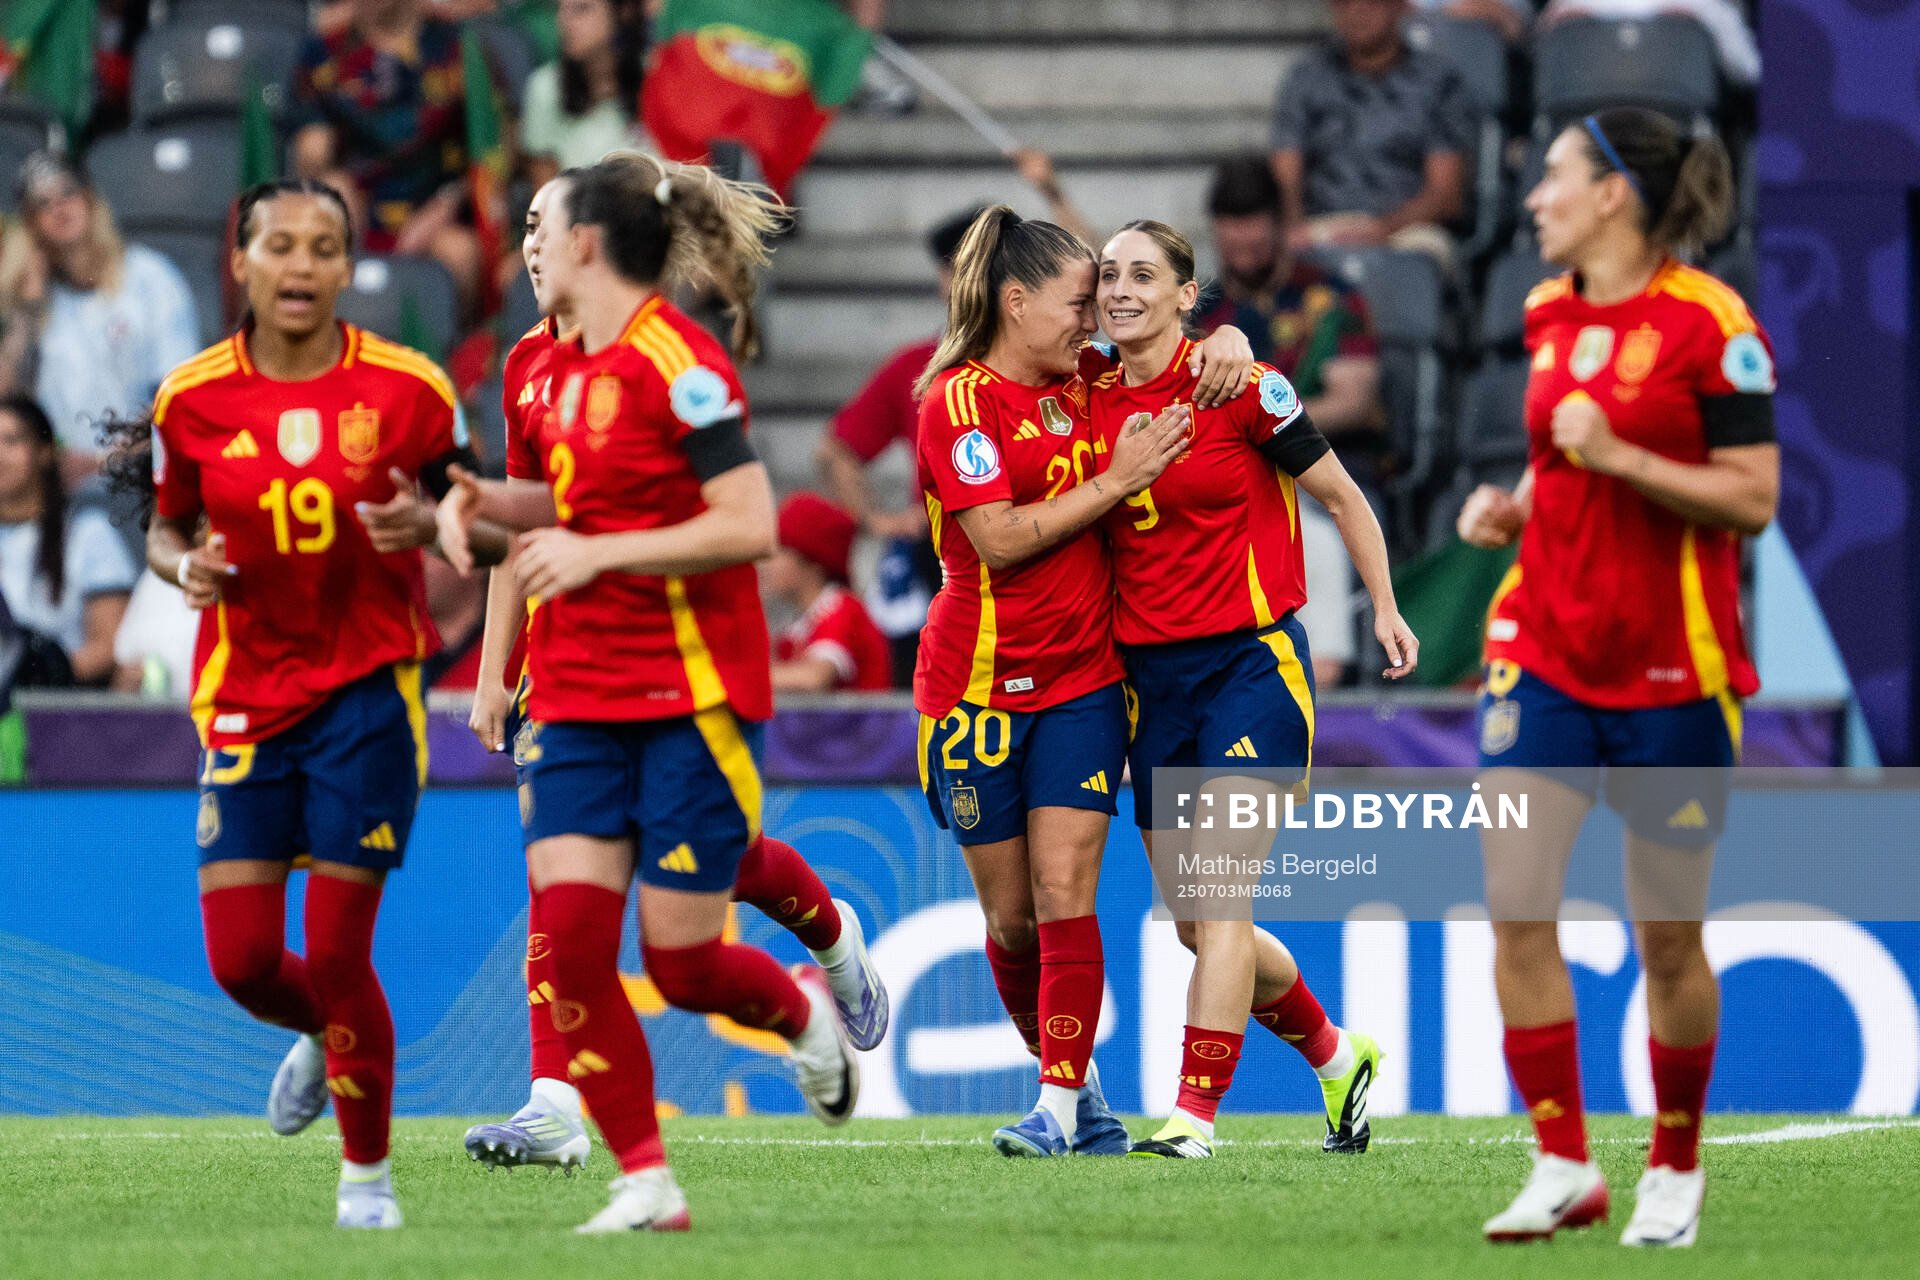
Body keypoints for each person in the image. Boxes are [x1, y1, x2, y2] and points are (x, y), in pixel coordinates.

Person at [434, 154, 863, 1233]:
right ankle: (645, 1179)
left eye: (544, 226)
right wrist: (471, 505)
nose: (529, 245)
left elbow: (748, 523)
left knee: (680, 962)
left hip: (689, 697)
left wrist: (598, 553)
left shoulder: (682, 362)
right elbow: (555, 502)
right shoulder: (546, 366)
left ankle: (799, 1010)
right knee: (575, 943)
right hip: (575, 697)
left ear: (586, 243)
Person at [133, 178, 484, 1229]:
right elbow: (163, 525)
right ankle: (316, 1033)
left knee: (336, 953)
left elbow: (477, 512)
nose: (300, 265)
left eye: (323, 246)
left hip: (368, 691)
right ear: (239, 262)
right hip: (245, 692)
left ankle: (366, 1179)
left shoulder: (410, 388)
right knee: (244, 962)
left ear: (347, 266)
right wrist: (181, 566)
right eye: (279, 245)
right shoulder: (190, 398)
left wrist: (434, 525)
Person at [1456, 107, 1777, 1247]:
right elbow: (1558, 459)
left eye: (1553, 176)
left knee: (1668, 938)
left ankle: (1675, 1169)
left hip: (1673, 671)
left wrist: (1623, 455)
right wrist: (1515, 507)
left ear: (1614, 195)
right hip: (1542, 646)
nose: (1533, 198)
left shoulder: (1714, 325)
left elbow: (1753, 496)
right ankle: (1562, 1163)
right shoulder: (1547, 309)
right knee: (1515, 901)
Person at [913, 204, 1252, 1158]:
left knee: (1066, 888)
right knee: (1011, 921)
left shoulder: (1089, 380)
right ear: (1016, 303)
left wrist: (1227, 340)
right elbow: (998, 540)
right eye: (1076, 303)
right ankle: (1082, 1090)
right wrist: (1116, 481)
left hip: (1085, 682)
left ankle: (1058, 1106)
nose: (1094, 319)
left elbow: (1176, 353)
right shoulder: (956, 404)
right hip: (974, 689)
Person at [1087, 220, 1415, 1159]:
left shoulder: (1244, 387)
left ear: (1186, 296)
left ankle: (1193, 1118)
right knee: (1196, 925)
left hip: (1250, 669)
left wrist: (1385, 607)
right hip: (1152, 687)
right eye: (1108, 274)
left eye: (1143, 274)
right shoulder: (1086, 394)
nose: (1120, 289)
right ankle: (1338, 1055)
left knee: (1222, 898)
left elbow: (1343, 496)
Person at [1198, 154, 1392, 685]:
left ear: (1281, 224)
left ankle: (1320, 682)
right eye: (1232, 234)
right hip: (1228, 478)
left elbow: (1353, 399)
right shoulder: (1202, 314)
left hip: (1326, 470)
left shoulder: (1330, 299)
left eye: (1255, 232)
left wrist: (1261, 422)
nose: (1243, 247)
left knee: (1314, 540)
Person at [0, 153, 201, 478]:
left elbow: (181, 395)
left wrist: (106, 459)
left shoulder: (151, 278)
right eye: (43, 204)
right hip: (58, 485)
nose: (59, 208)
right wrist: (28, 308)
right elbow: (8, 402)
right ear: (30, 225)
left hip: (143, 474)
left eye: (68, 193)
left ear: (91, 200)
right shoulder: (33, 301)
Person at [289, 0, 484, 311]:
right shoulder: (327, 50)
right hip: (359, 202)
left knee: (461, 252)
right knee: (331, 201)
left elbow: (487, 154)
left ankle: (451, 340)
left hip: (432, 205)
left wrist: (445, 205)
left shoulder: (455, 49)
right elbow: (308, 151)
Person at [1269, 0, 1477, 267]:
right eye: (1345, 3)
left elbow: (1446, 195)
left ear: (1397, 6)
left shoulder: (1438, 81)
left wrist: (1382, 230)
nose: (1357, 12)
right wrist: (1294, 227)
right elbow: (1286, 171)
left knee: (1421, 260)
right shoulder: (1306, 76)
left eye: (1371, 2)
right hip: (1321, 225)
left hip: (1408, 230)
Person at [0, 394, 137, 686]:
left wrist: (41, 673)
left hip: (61, 701)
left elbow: (109, 645)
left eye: (11, 441)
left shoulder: (87, 533)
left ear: (45, 452)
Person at [766, 491, 891, 692]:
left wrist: (737, 678)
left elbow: (814, 678)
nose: (768, 563)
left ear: (813, 563)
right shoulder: (802, 623)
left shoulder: (842, 609)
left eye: (782, 550)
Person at [521, 0, 650, 186]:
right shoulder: (547, 87)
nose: (564, 21)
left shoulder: (656, 74)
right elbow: (546, 191)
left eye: (582, 8)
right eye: (560, 9)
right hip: (580, 203)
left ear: (623, 12)